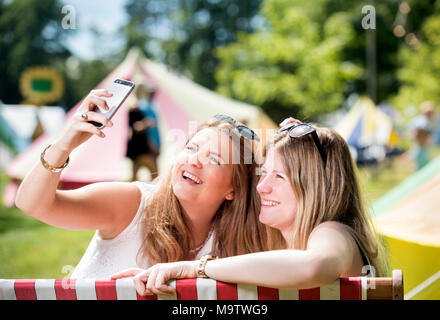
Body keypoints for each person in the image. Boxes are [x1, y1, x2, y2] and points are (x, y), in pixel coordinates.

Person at [14, 88, 283, 279]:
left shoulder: (238, 240)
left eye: (213, 158)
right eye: (190, 148)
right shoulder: (132, 203)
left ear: (233, 190)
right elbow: (32, 205)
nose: (194, 160)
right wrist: (64, 144)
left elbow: (313, 259)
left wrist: (290, 152)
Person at [112, 117, 388, 296]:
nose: (261, 187)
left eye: (279, 177)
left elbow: (314, 266)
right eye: (263, 174)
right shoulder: (287, 247)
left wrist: (194, 269)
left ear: (316, 187)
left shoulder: (333, 232)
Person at [127, 84, 161, 181]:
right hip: (142, 148)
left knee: (139, 176)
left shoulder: (149, 106)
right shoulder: (139, 107)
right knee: (154, 176)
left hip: (143, 147)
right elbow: (135, 127)